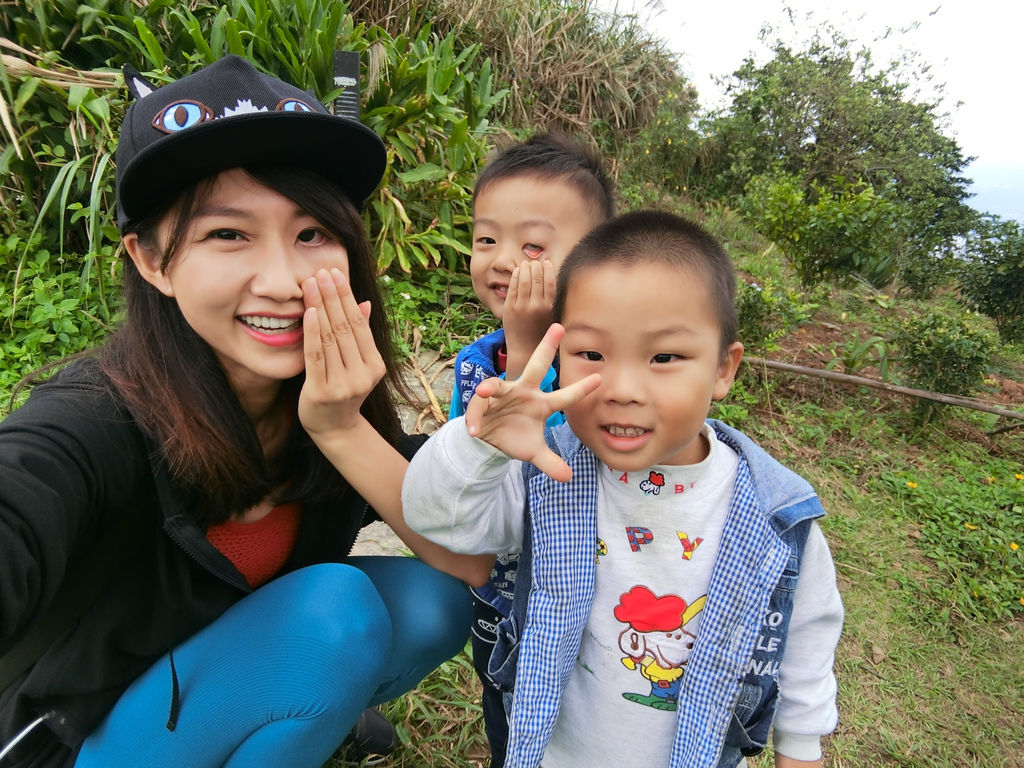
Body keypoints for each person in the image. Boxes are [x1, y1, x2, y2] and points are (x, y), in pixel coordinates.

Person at [0, 54, 491, 768]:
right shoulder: (94, 420)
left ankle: (292, 716)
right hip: (71, 736)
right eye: (227, 234)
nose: (286, 280)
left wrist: (342, 428)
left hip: (200, 674)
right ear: (151, 261)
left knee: (432, 601)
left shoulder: (323, 397)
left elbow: (468, 560)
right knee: (334, 614)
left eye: (312, 233)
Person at [405, 210, 845, 768]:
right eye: (591, 354)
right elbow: (435, 517)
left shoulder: (774, 521)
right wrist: (480, 443)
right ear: (558, 357)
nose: (623, 390)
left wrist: (801, 750)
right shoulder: (548, 475)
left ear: (723, 369)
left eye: (664, 358)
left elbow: (804, 652)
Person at [447, 132, 614, 767]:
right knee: (513, 724)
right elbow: (496, 471)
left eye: (533, 246)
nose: (500, 259)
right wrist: (519, 343)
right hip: (508, 605)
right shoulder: (474, 366)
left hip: (597, 600)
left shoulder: (609, 362)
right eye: (485, 239)